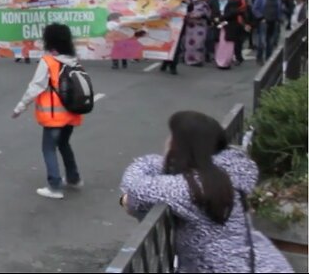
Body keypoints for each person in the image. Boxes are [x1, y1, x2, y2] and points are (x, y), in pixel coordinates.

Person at [119, 111, 293, 273]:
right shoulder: (230, 171)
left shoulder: (190, 188)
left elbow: (136, 185)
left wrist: (162, 162)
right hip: (264, 263)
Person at [12, 23, 83, 199]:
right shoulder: (74, 61)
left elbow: (36, 86)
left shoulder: (48, 62)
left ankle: (55, 186)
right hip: (71, 112)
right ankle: (73, 178)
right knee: (64, 144)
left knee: (49, 148)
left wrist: (20, 107)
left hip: (53, 115)